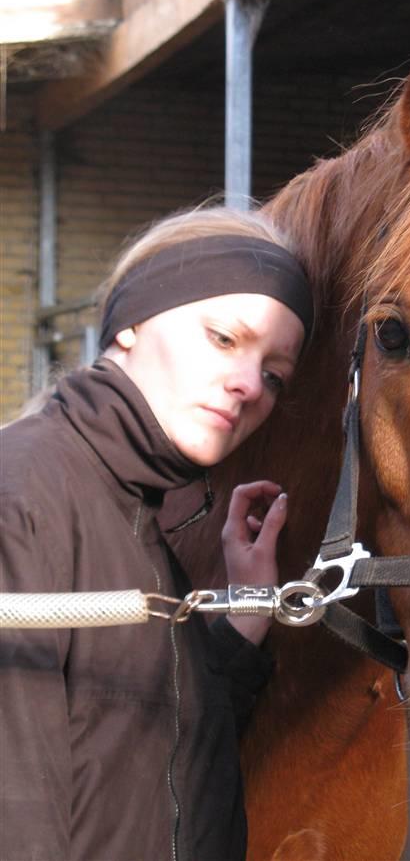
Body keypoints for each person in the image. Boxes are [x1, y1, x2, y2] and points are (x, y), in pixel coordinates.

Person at [0, 205, 313, 861]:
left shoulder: (138, 513)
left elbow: (153, 752)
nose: (249, 384)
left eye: (275, 374)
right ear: (133, 323)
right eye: (225, 339)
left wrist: (246, 614)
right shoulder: (23, 498)